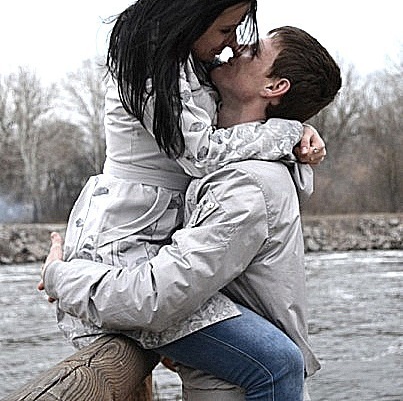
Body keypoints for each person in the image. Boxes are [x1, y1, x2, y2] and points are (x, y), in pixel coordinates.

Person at [40, 26, 342, 400]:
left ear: (274, 87)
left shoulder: (244, 186)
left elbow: (155, 298)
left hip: (236, 389)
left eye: (254, 51)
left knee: (276, 360)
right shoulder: (247, 161)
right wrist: (293, 130)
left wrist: (60, 276)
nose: (237, 46)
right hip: (229, 380)